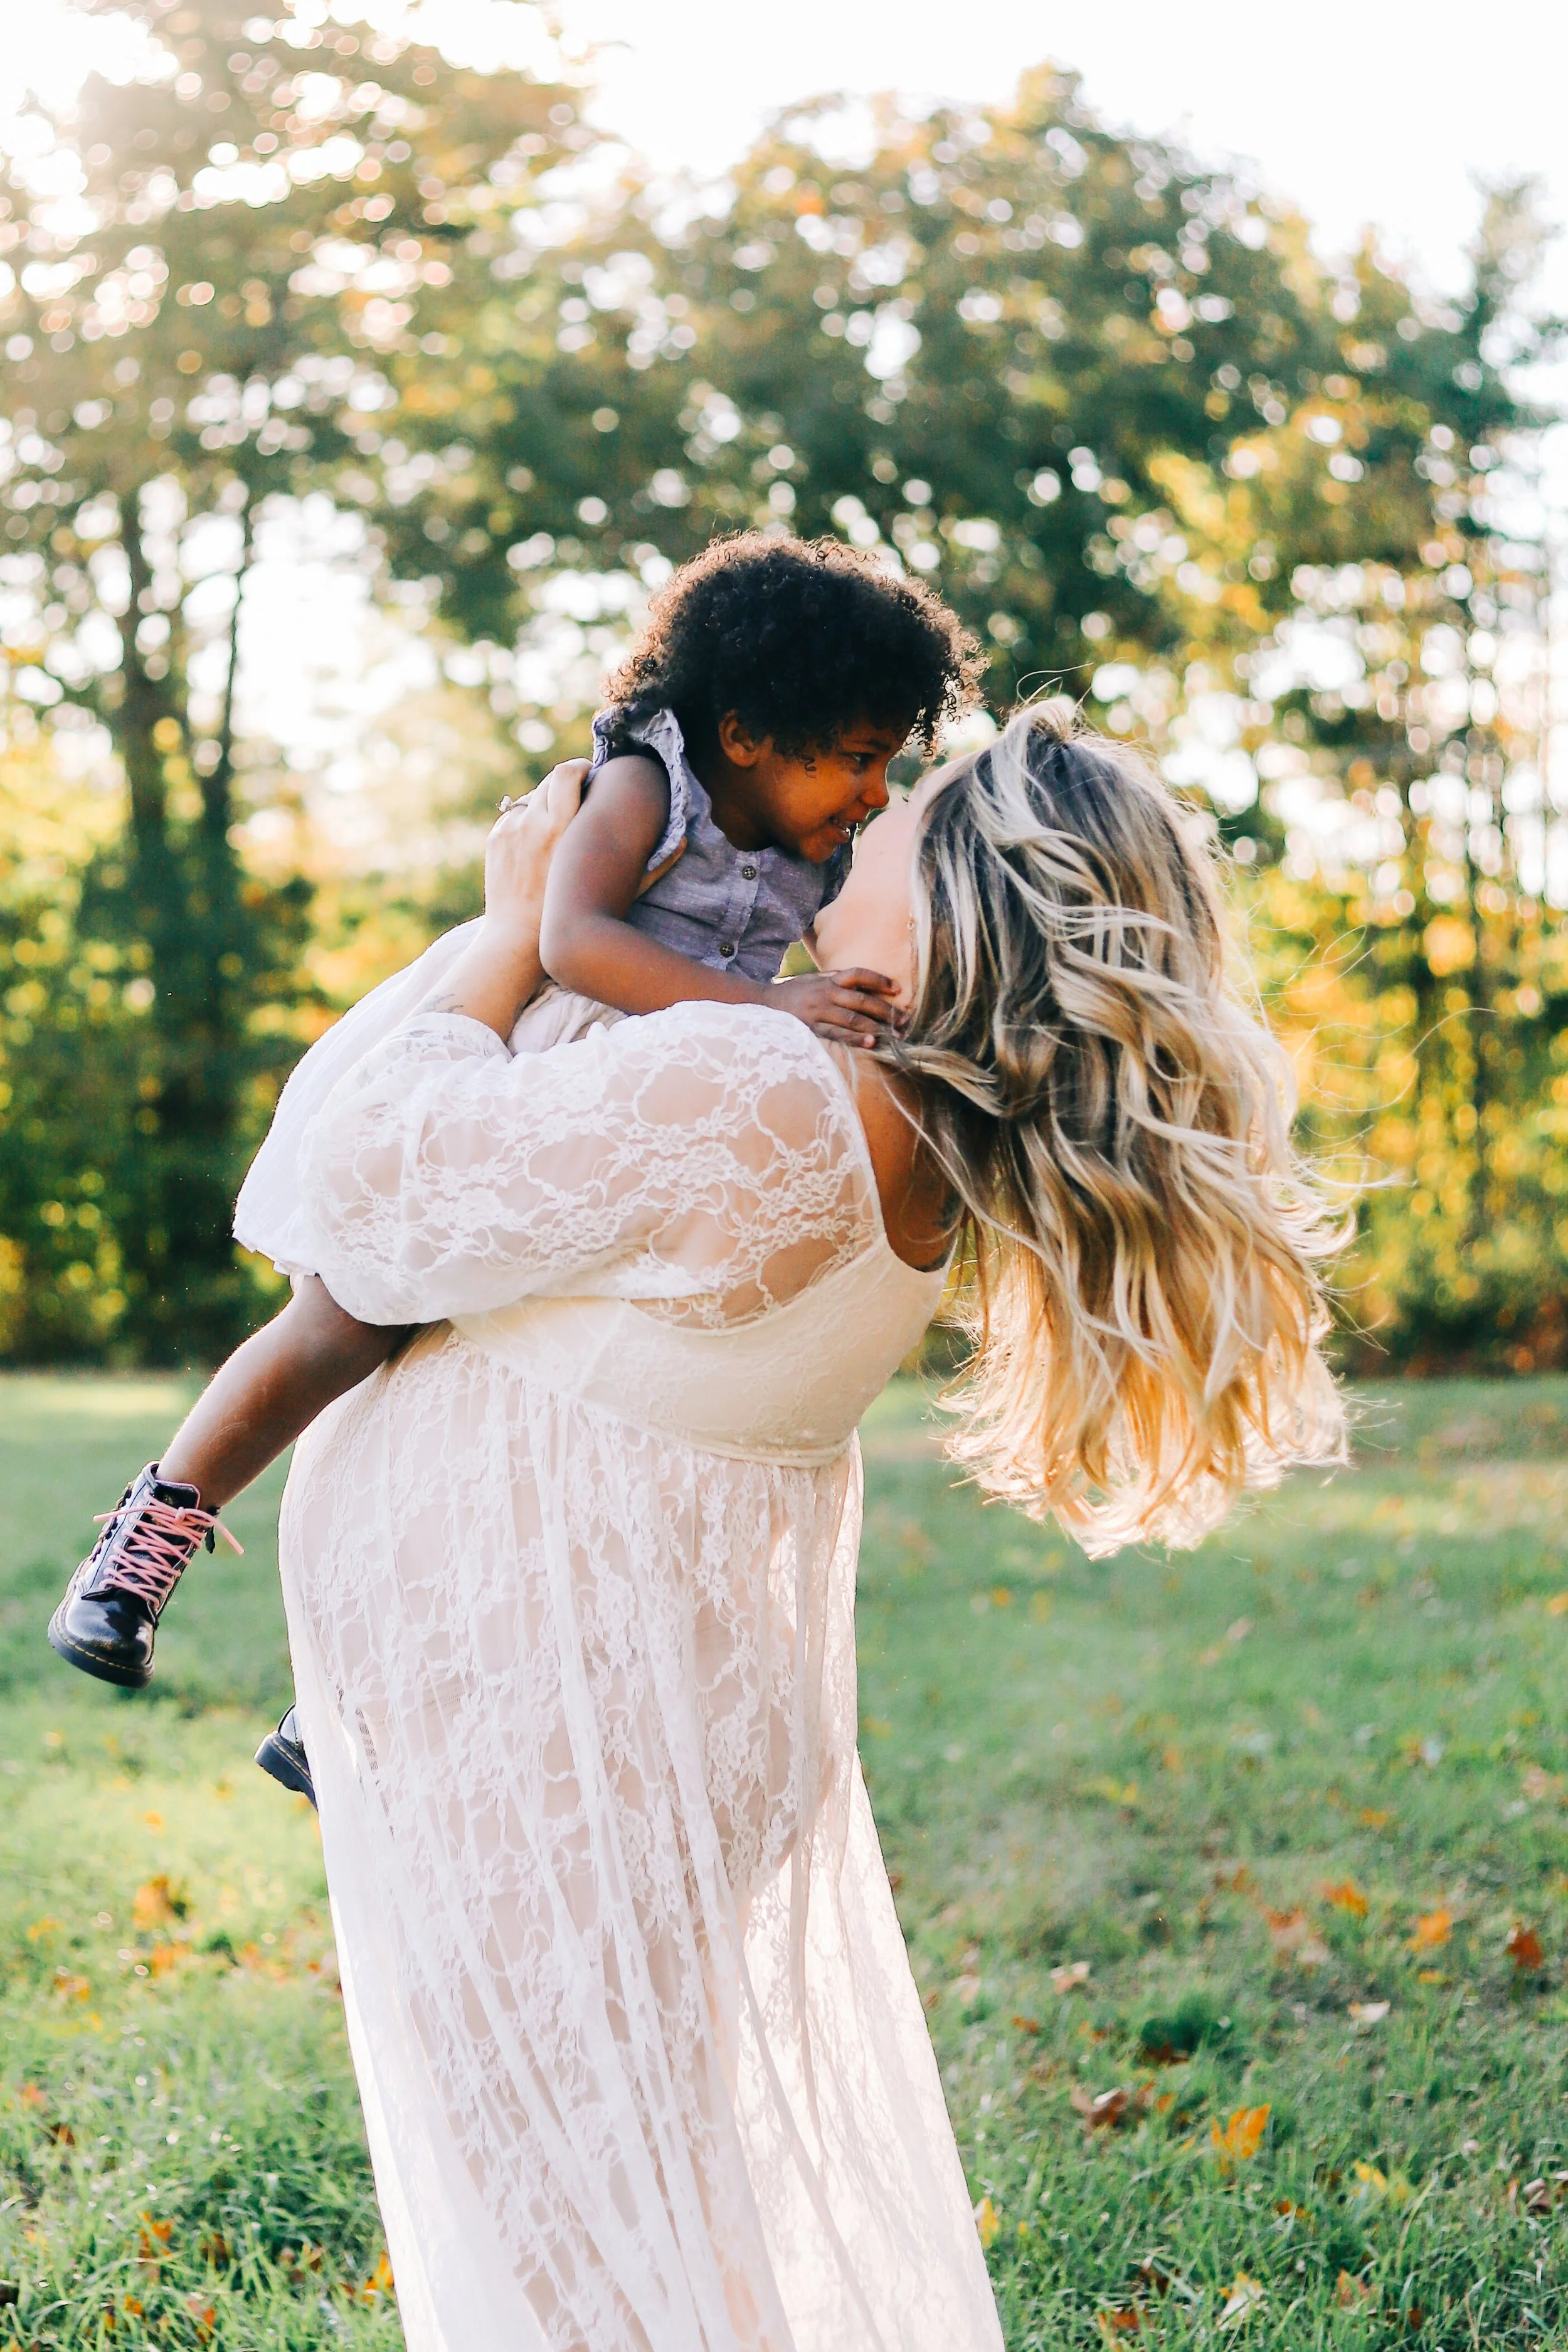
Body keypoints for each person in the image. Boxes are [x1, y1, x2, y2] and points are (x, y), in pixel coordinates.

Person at [246, 699, 1338, 2347]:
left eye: (903, 811)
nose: (856, 819)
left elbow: (358, 1192)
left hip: (563, 1729)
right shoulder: (900, 1119)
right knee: (646, 2199)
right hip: (636, 1717)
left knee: (564, 2236)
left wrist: (497, 930)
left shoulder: (762, 1079)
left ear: (958, 885)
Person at [46, 536, 980, 1776]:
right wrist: (769, 1016)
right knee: (348, 1324)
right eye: (857, 760)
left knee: (517, 1395)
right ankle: (152, 1530)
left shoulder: (821, 851)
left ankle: (342, 1699)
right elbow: (575, 938)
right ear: (750, 730)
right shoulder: (647, 791)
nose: (873, 793)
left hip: (635, 1107)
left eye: (887, 764)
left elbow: (807, 983)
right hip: (523, 1055)